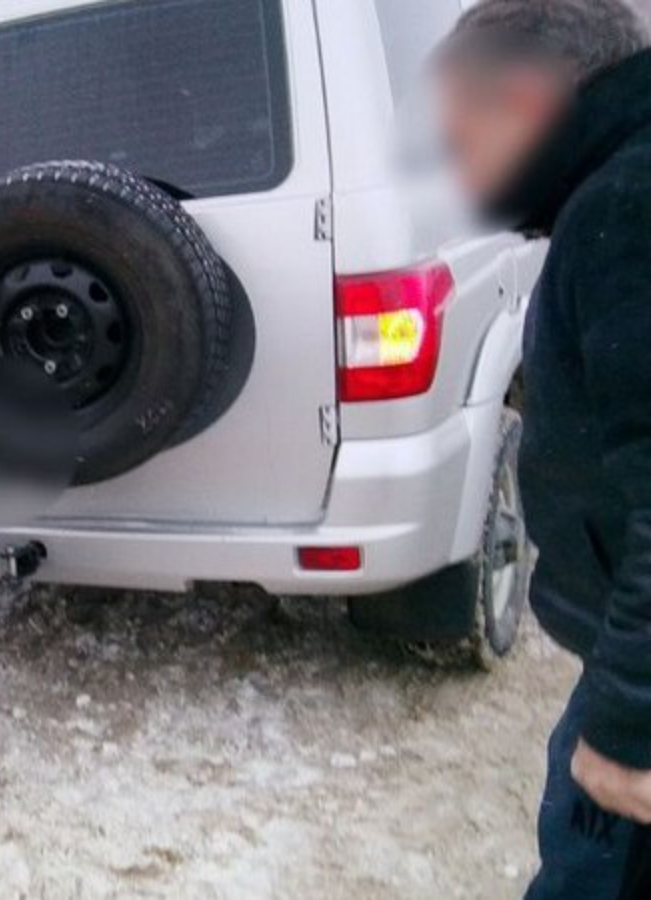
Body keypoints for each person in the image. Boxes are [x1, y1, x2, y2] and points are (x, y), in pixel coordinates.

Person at [433, 2, 651, 897]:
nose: (456, 178)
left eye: (459, 144)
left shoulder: (628, 212)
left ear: (523, 105)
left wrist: (630, 724)